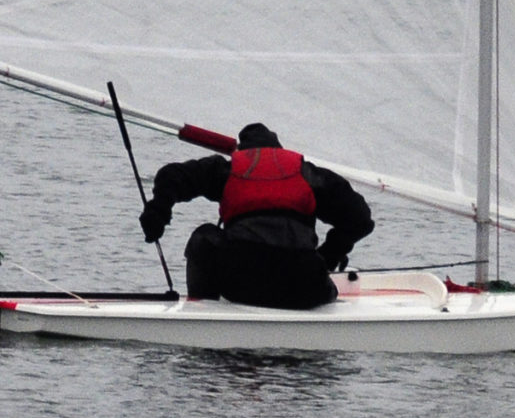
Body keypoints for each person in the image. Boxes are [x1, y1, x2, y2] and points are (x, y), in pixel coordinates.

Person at [138, 123, 374, 309]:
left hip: (241, 285)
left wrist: (158, 212)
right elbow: (361, 219)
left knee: (204, 236)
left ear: (242, 153)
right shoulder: (308, 175)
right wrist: (328, 256)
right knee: (311, 265)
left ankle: (204, 310)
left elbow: (172, 175)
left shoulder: (229, 171)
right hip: (305, 290)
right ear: (279, 151)